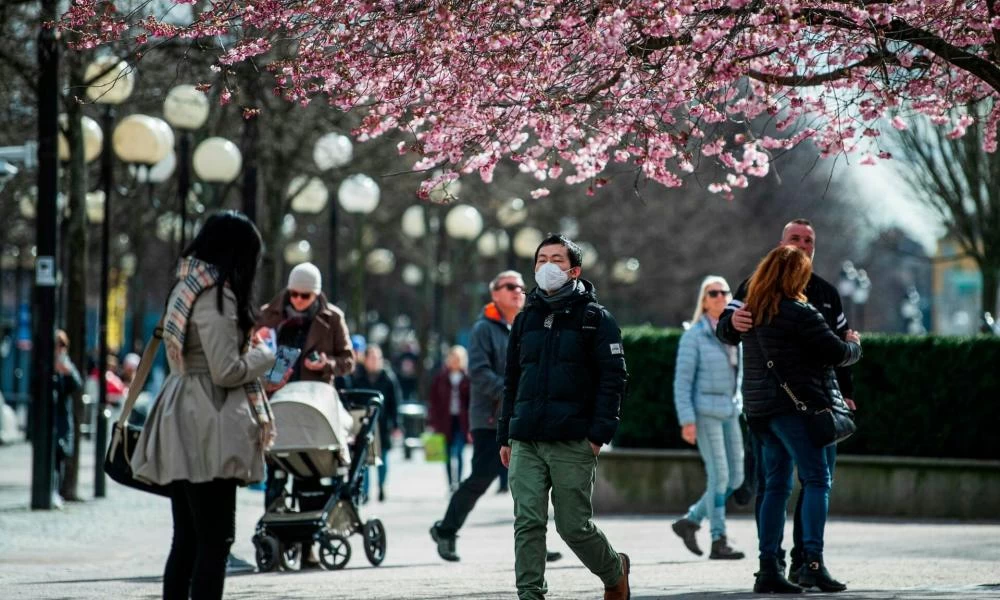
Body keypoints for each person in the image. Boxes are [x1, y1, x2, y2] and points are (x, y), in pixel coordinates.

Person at [130, 211, 276, 600]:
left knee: (188, 538)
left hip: (181, 410)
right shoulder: (216, 295)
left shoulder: (186, 285)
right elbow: (226, 371)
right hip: (206, 419)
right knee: (215, 538)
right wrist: (267, 356)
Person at [717, 218, 856, 580]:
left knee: (779, 483)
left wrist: (848, 394)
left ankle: (777, 566)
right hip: (803, 406)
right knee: (814, 481)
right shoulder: (761, 291)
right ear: (781, 243)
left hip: (770, 407)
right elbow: (838, 349)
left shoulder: (824, 293)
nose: (801, 244)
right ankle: (805, 563)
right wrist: (733, 325)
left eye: (808, 239)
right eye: (795, 238)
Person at [498, 235, 631, 600]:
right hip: (526, 437)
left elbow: (614, 378)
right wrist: (505, 434)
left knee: (573, 527)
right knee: (527, 522)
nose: (547, 266)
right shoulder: (526, 319)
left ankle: (614, 569)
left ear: (574, 271)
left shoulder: (596, 319)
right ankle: (531, 595)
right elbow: (512, 379)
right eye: (541, 259)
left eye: (556, 260)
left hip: (573, 439)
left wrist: (598, 434)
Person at [429, 271, 563, 564]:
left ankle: (535, 544)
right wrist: (511, 392)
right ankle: (446, 530)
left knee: (530, 480)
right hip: (490, 419)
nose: (518, 291)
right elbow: (478, 373)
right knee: (482, 477)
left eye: (520, 287)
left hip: (524, 415)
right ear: (495, 294)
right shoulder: (483, 329)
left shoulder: (530, 323)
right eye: (510, 286)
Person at [256, 262, 355, 509]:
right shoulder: (268, 315)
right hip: (277, 398)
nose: (298, 300)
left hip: (314, 401)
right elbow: (249, 348)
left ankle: (307, 537)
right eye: (294, 294)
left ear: (316, 293)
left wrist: (326, 364)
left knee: (308, 470)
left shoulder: (332, 318)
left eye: (306, 295)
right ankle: (274, 528)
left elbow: (349, 360)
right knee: (276, 470)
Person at [671, 276, 745, 560]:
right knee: (720, 476)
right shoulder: (694, 336)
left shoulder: (735, 334)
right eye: (713, 293)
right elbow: (682, 382)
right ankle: (719, 539)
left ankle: (690, 520)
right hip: (705, 414)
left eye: (724, 292)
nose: (720, 296)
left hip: (731, 411)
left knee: (736, 478)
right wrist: (687, 420)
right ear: (703, 300)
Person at [348, 343, 400, 502]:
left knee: (382, 458)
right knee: (364, 458)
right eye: (371, 358)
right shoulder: (358, 377)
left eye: (377, 358)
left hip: (383, 424)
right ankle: (365, 491)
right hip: (363, 422)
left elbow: (395, 402)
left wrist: (397, 424)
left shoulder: (388, 378)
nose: (374, 361)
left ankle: (382, 486)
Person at [428, 345, 471, 491]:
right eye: (452, 358)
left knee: (458, 452)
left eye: (458, 358)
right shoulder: (440, 377)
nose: (455, 361)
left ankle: (458, 481)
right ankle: (450, 483)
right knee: (446, 454)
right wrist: (432, 422)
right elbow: (433, 401)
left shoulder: (467, 377)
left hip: (461, 421)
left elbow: (472, 401)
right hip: (444, 421)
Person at [53, 329, 82, 508]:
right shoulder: (45, 362)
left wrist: (66, 372)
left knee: (60, 454)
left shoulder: (66, 365)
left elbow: (77, 385)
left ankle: (57, 491)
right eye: (58, 345)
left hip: (62, 418)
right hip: (50, 418)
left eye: (63, 345)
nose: (60, 349)